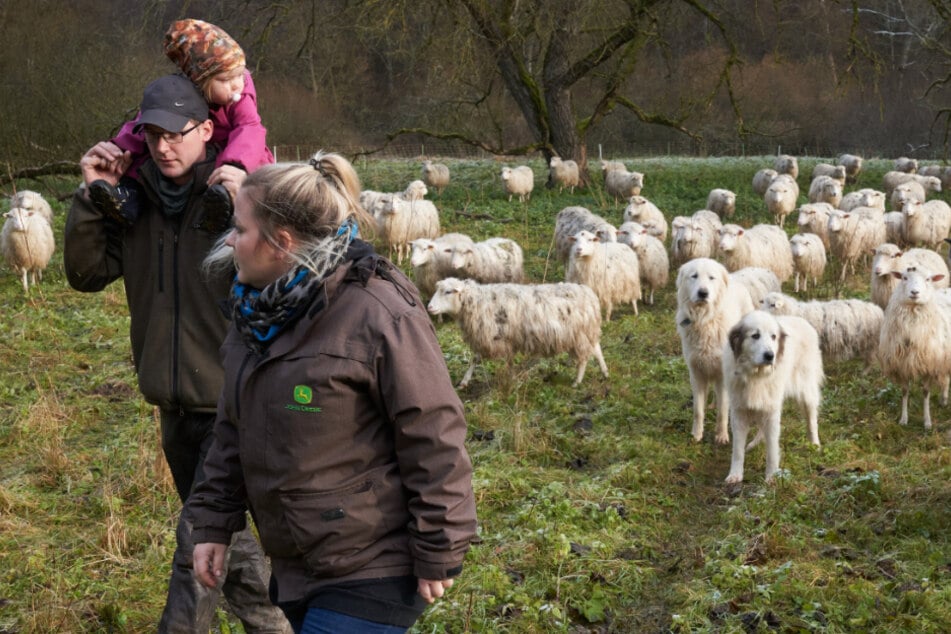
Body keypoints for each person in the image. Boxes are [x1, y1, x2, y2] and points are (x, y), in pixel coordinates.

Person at [187, 152, 478, 633]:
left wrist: (440, 542)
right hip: (301, 565)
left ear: (280, 243)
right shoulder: (254, 314)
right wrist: (214, 524)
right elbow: (231, 433)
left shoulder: (378, 310)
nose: (229, 241)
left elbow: (432, 430)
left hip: (374, 567)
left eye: (239, 229)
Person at [64, 73, 291, 634]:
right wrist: (94, 194)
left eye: (177, 133)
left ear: (207, 129)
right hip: (173, 408)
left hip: (231, 409)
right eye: (154, 134)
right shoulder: (131, 201)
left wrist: (252, 213)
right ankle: (278, 626)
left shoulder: (235, 199)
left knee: (197, 547)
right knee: (226, 548)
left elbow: (291, 276)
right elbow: (86, 272)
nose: (165, 146)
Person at [89, 18, 273, 232]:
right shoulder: (181, 92)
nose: (237, 85)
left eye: (239, 75)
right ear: (199, 80)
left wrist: (236, 165)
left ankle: (222, 205)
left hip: (234, 153)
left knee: (236, 174)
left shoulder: (240, 98)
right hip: (194, 148)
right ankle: (127, 200)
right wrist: (120, 148)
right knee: (150, 147)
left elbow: (249, 129)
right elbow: (143, 123)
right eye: (224, 79)